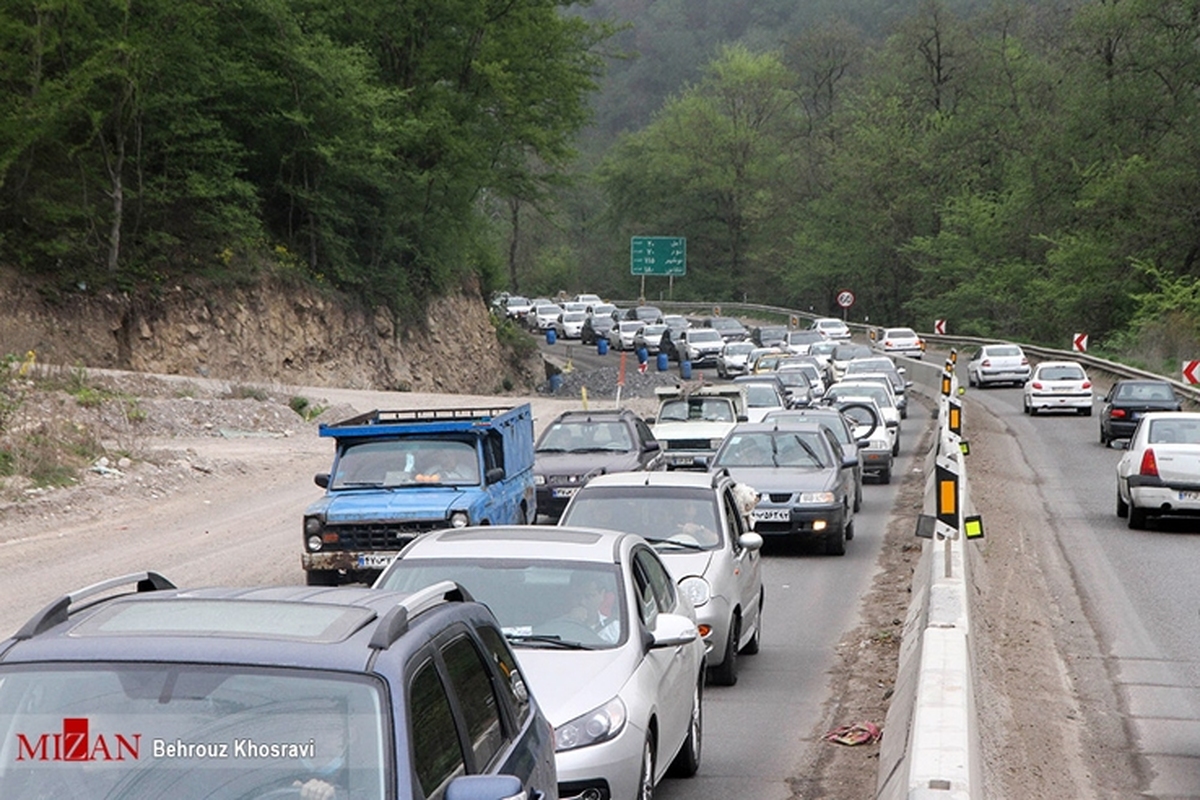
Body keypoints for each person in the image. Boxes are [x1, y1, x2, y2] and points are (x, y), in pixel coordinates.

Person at [562, 572, 619, 643]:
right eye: (577, 596)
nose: (582, 602)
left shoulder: (615, 629)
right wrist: (571, 623)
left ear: (602, 595)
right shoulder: (559, 627)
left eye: (589, 596)